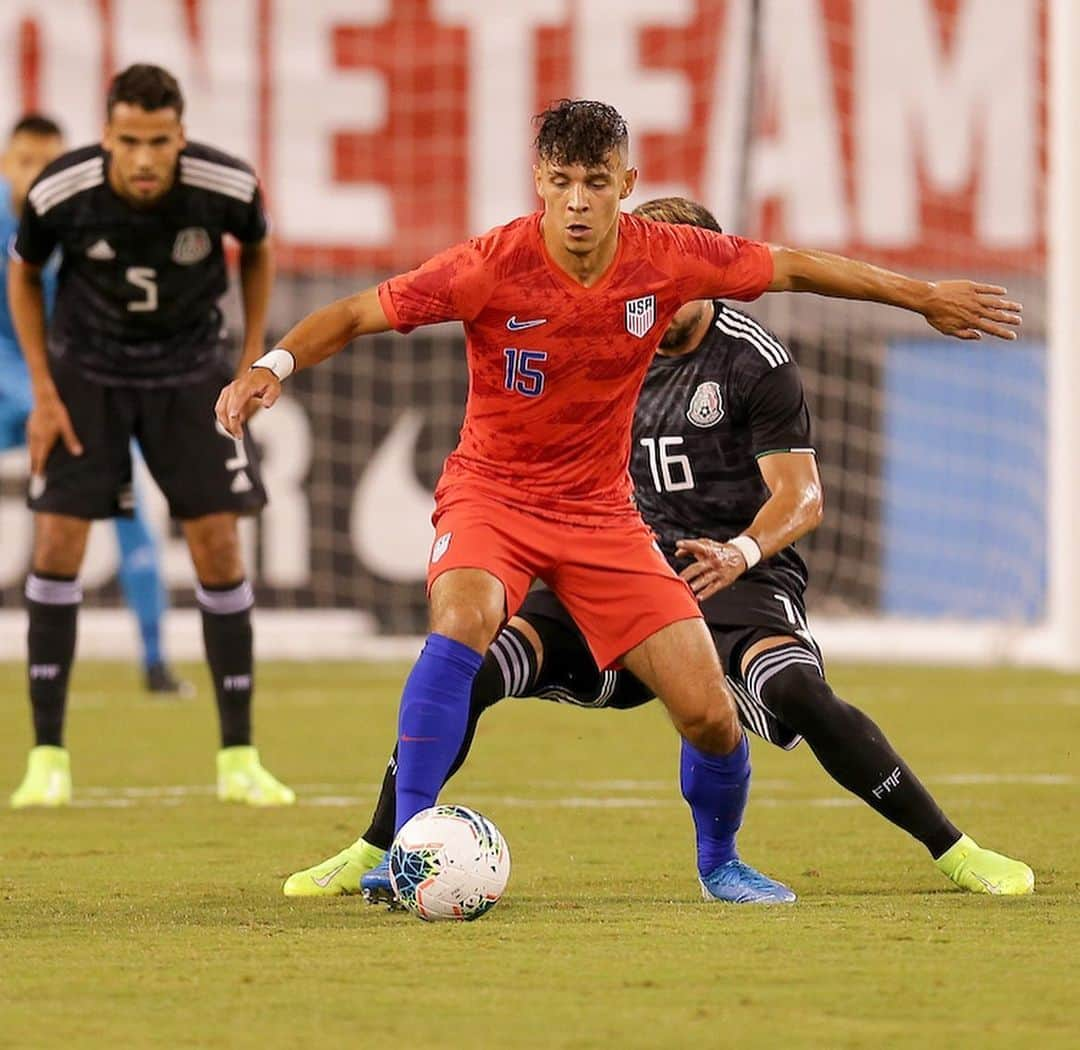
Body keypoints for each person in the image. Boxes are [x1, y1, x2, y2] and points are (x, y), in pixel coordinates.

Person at [218, 100, 1021, 901]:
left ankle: (721, 864)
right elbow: (359, 312)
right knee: (463, 625)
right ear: (538, 181)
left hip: (602, 518)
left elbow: (796, 266)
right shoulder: (487, 264)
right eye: (561, 181)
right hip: (492, 497)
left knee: (710, 713)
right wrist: (274, 366)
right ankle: (400, 848)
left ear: (625, 185)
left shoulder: (668, 259)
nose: (576, 201)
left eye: (595, 182)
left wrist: (921, 297)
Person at [6, 65, 293, 807]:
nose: (142, 158)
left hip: (192, 373)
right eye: (128, 140)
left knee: (219, 547)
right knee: (57, 546)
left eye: (158, 141)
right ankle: (47, 759)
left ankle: (239, 757)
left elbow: (257, 249)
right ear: (105, 135)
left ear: (180, 135)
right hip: (87, 375)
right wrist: (42, 390)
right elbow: (25, 274)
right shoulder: (60, 191)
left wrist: (250, 357)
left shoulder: (226, 187)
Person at [1, 114, 188, 702]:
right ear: (7, 164)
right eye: (25, 161)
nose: (36, 176)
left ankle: (156, 663)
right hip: (13, 375)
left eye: (48, 163)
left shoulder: (82, 215)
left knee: (132, 508)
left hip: (77, 384)